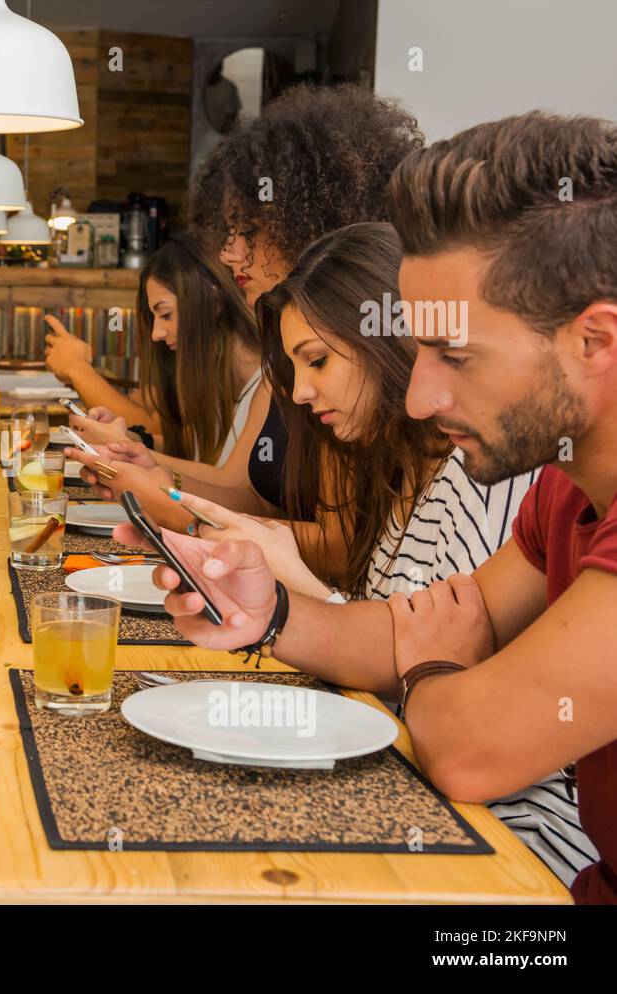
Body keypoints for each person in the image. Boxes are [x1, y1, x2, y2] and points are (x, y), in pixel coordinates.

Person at [116, 113, 617, 903]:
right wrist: (271, 610)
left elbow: (467, 749)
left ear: (596, 341)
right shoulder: (563, 484)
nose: (419, 393)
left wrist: (429, 668)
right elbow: (405, 624)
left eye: (455, 355)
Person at [71, 85, 425, 533]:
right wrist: (153, 469)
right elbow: (245, 492)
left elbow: (340, 549)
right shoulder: (284, 360)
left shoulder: (352, 364)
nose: (229, 254)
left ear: (309, 223)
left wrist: (183, 515)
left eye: (248, 232)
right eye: (229, 231)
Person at [65, 233, 265, 470]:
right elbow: (193, 451)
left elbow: (230, 488)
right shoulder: (213, 379)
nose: (156, 334)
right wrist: (133, 440)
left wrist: (126, 447)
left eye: (166, 314)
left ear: (213, 302)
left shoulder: (268, 386)